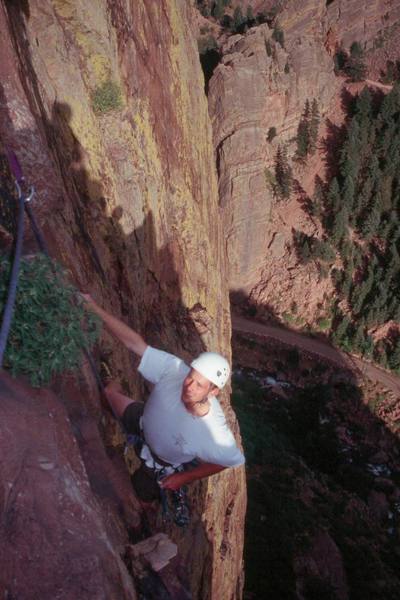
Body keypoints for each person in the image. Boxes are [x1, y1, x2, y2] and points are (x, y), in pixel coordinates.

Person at [82, 294, 245, 502]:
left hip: (159, 463)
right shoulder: (175, 370)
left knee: (139, 497)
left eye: (199, 385)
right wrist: (95, 309)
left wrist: (183, 477)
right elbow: (135, 344)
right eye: (190, 377)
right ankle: (113, 382)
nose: (189, 386)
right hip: (142, 421)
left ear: (213, 392)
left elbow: (229, 460)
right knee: (106, 397)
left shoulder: (214, 432)